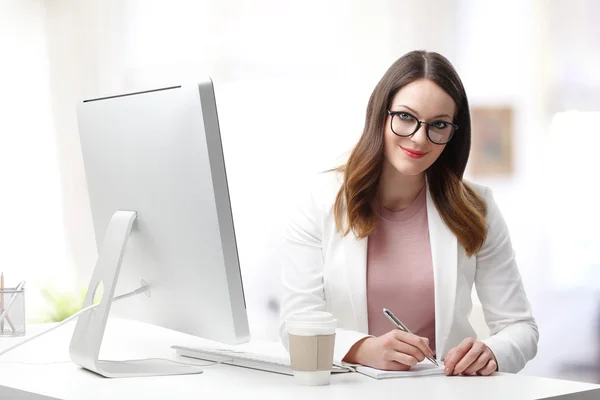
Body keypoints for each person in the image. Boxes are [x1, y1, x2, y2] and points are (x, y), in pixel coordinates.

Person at [278, 50, 538, 376]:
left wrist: (492, 353)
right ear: (380, 114)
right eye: (405, 117)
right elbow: (294, 325)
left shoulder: (477, 207)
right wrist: (363, 349)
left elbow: (521, 327)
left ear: (453, 133)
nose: (419, 138)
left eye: (439, 125)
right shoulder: (321, 201)